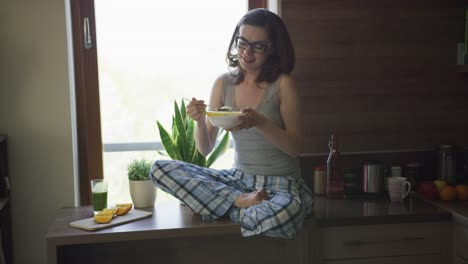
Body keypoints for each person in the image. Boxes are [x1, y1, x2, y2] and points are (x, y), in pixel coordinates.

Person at [150, 8, 313, 239]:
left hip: (281, 185)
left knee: (288, 212)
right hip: (238, 182)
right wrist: (198, 121)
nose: (247, 52)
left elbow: (295, 148)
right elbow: (205, 149)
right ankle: (239, 203)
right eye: (242, 42)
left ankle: (219, 208)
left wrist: (260, 122)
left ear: (273, 49)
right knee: (159, 168)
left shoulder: (283, 84)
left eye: (258, 46)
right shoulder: (223, 83)